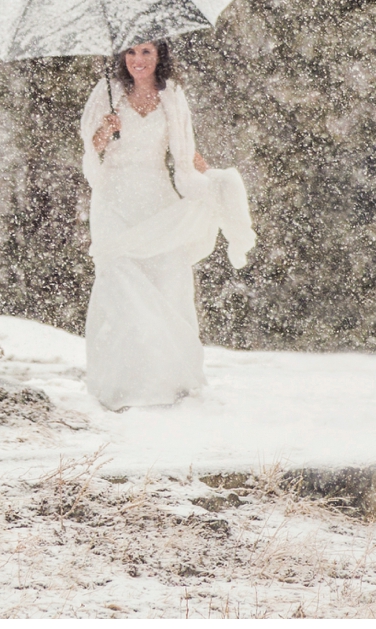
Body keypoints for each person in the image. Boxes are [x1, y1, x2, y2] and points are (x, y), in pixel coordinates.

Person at [78, 37, 255, 409]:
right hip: (114, 199)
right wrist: (105, 132)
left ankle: (167, 377)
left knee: (168, 280)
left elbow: (185, 151)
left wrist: (214, 182)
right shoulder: (107, 93)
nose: (137, 60)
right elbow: (90, 153)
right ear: (121, 57)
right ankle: (121, 383)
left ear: (159, 56)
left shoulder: (172, 95)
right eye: (130, 52)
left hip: (157, 196)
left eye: (146, 52)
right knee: (121, 283)